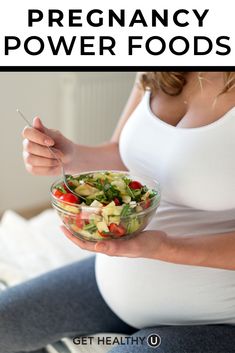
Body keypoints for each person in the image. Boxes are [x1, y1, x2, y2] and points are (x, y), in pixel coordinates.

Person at [1, 71, 235, 353]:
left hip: (214, 317)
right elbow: (127, 156)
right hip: (111, 284)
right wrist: (69, 155)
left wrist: (163, 247)